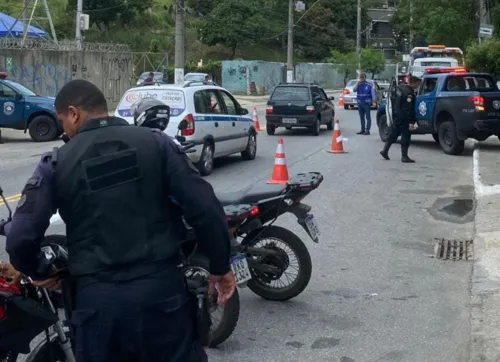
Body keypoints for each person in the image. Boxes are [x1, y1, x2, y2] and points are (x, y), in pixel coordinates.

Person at [3, 79, 236, 362]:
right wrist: (220, 266)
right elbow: (206, 209)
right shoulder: (157, 144)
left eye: (62, 120)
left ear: (74, 113)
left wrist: (42, 272)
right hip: (163, 299)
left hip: (98, 310)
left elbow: (20, 238)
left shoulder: (56, 163)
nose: (63, 128)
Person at [379, 75, 421, 163]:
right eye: (418, 84)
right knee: (406, 136)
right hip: (404, 117)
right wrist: (411, 121)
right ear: (414, 83)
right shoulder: (409, 93)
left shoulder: (401, 88)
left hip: (397, 115)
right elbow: (408, 108)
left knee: (393, 133)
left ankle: (385, 150)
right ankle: (404, 156)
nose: (418, 86)